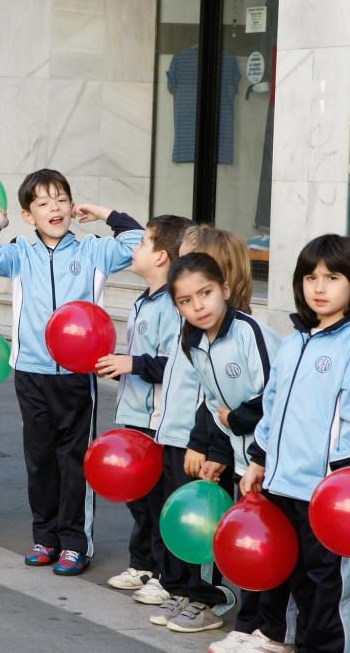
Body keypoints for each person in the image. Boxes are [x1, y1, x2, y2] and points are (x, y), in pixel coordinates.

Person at [0, 169, 143, 576]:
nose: (55, 208)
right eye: (43, 203)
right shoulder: (19, 253)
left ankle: (74, 542)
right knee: (40, 458)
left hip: (76, 375)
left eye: (61, 199)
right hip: (31, 371)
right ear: (29, 215)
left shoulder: (93, 251)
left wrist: (102, 212)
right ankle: (45, 537)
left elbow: (138, 243)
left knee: (74, 459)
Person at [238, 234, 350, 653]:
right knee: (287, 573)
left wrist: (340, 475)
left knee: (327, 583)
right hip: (281, 484)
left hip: (325, 494)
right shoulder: (294, 341)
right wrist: (259, 460)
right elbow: (272, 406)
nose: (319, 287)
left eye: (333, 277)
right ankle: (280, 638)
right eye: (310, 277)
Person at [161, 252, 280, 635]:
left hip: (271, 462)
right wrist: (219, 453)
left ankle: (263, 630)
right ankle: (248, 627)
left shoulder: (250, 333)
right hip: (243, 462)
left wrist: (253, 444)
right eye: (185, 300)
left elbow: (275, 400)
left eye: (205, 293)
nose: (198, 306)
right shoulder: (192, 342)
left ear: (224, 289)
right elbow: (214, 404)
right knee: (244, 543)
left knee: (268, 545)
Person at [94, 215, 193, 593]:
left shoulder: (172, 305)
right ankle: (142, 564)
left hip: (158, 419)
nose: (134, 249)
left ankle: (167, 577)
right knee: (139, 496)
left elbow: (177, 365)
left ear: (162, 257)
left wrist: (131, 364)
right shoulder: (143, 301)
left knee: (157, 500)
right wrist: (121, 367)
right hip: (134, 413)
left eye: (143, 243)